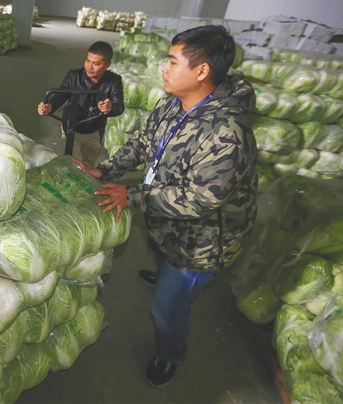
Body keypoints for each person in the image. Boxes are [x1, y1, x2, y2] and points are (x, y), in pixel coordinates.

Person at [72, 25, 258, 387]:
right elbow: (142, 142)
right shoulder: (173, 103)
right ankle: (163, 273)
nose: (164, 67)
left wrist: (132, 197)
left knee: (166, 309)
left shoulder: (227, 134)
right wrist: (105, 169)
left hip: (202, 243)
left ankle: (170, 353)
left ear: (201, 71)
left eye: (173, 61)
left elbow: (199, 200)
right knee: (161, 252)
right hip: (168, 222)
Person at [37, 41, 124, 167]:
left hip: (95, 131)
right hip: (72, 128)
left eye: (96, 64)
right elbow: (61, 94)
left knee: (88, 165)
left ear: (108, 65)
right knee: (72, 164)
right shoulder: (74, 76)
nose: (89, 67)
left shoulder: (114, 81)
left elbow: (119, 105)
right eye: (88, 61)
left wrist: (109, 108)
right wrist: (50, 106)